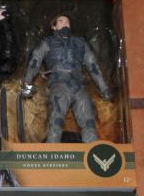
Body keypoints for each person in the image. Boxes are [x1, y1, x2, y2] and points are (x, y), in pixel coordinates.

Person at [21, 14, 113, 143]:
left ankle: (92, 152)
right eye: (61, 21)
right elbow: (35, 61)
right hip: (59, 85)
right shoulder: (48, 42)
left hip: (79, 86)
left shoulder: (81, 43)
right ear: (54, 27)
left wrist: (104, 88)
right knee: (56, 121)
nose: (65, 23)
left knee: (89, 123)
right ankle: (51, 152)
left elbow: (93, 66)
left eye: (67, 21)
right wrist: (27, 83)